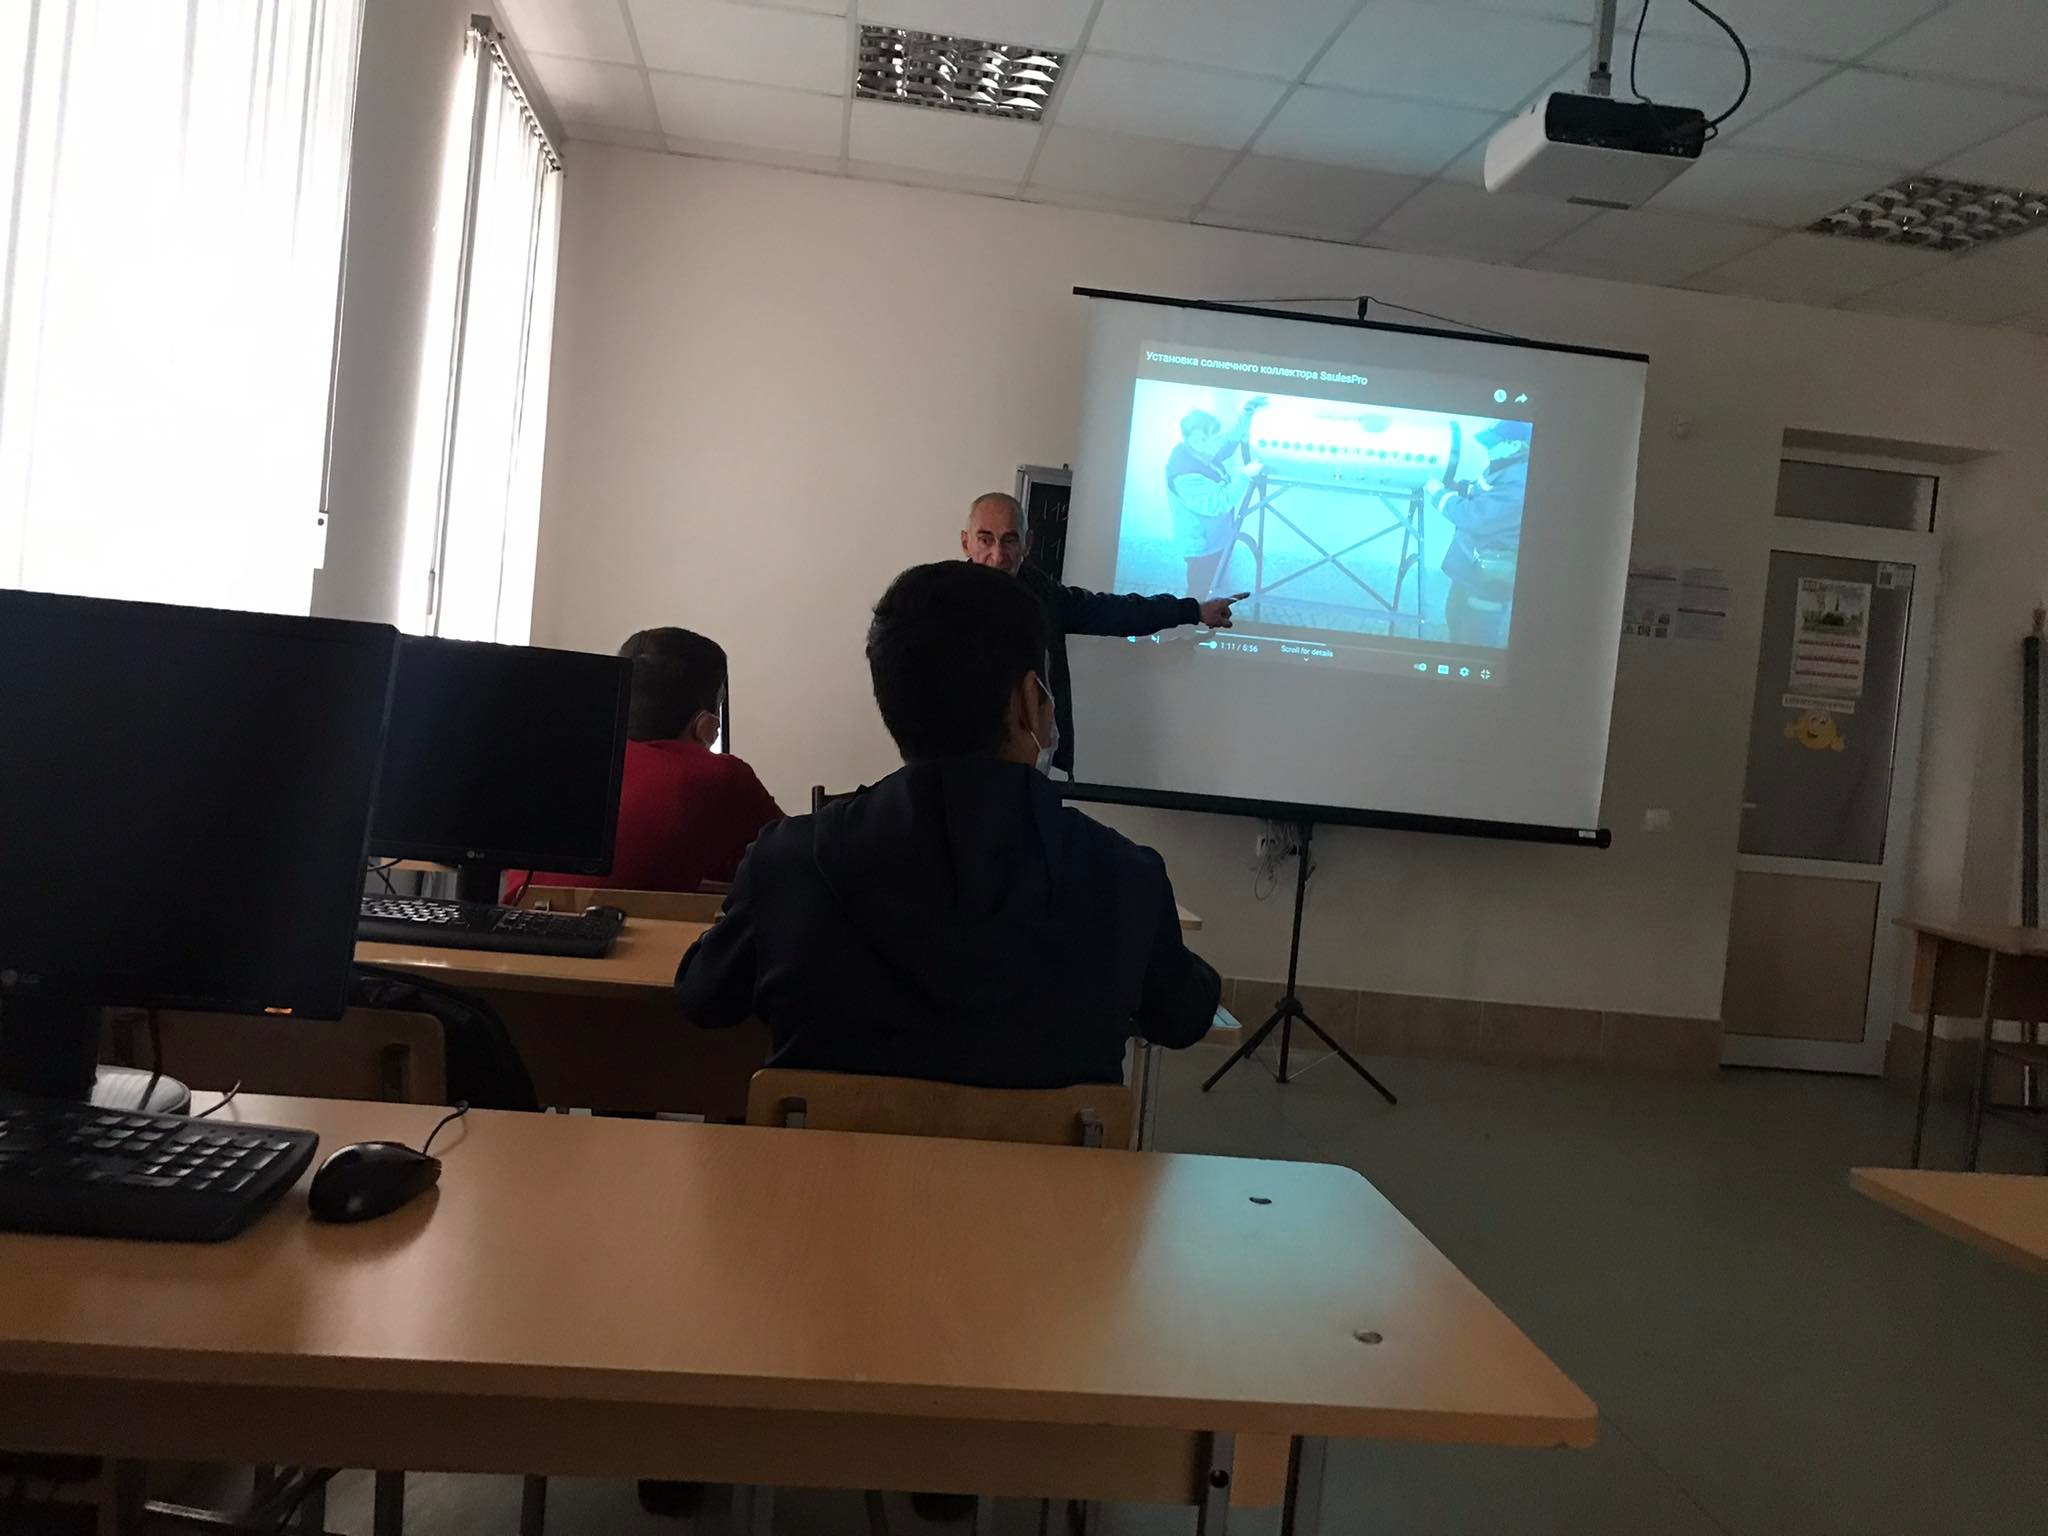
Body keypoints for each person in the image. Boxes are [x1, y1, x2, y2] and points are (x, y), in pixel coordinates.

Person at [674, 559, 1221, 1089]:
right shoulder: (1125, 876)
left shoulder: (789, 863)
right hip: (1041, 1159)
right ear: (1028, 702)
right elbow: (1184, 1017)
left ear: (890, 701)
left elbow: (704, 998)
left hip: (838, 1156)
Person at [961, 491, 1241, 777]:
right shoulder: (942, 603)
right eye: (985, 540)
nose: (998, 555)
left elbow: (1114, 611)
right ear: (965, 542)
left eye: (1010, 540)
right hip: (962, 762)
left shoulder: (1043, 595)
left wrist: (1193, 610)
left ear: (1027, 543)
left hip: (1030, 764)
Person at [528, 627, 781, 896]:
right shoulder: (721, 776)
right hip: (626, 921)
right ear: (707, 726)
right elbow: (796, 860)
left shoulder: (570, 763)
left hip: (517, 916)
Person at [1434, 422, 1530, 649]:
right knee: (1456, 616)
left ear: (1514, 444)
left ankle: (1472, 664)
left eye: (1493, 444)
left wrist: (1439, 495)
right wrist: (1460, 488)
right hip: (1472, 566)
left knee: (1475, 632)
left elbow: (1477, 518)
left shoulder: (1520, 479)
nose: (1487, 449)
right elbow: (1486, 494)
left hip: (1491, 574)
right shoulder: (1505, 464)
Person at [1165, 395, 1267, 600]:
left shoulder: (1200, 451)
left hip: (1214, 539)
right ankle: (1189, 619)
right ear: (1198, 440)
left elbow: (1229, 439)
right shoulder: (1185, 475)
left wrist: (1247, 413)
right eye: (1215, 438)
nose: (1219, 442)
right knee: (1199, 592)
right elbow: (1218, 504)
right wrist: (1244, 475)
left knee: (1213, 584)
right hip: (1202, 547)